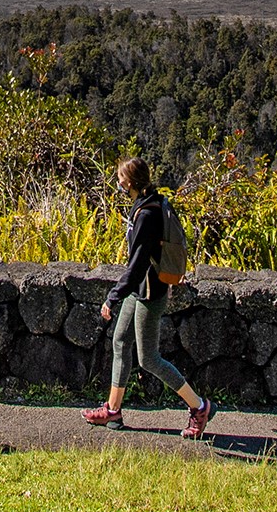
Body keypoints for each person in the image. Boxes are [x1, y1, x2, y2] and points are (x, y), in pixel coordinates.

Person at [81, 157, 215, 438]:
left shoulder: (147, 214)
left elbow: (138, 263)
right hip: (140, 289)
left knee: (149, 359)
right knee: (120, 341)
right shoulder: (148, 202)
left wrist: (112, 297)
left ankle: (199, 406)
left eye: (119, 178)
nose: (117, 183)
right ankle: (113, 410)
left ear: (129, 182)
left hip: (149, 293)